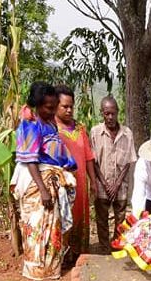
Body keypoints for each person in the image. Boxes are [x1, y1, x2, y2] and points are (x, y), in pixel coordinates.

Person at [12, 81, 77, 281]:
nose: (52, 111)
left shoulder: (49, 124)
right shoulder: (31, 125)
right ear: (38, 105)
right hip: (38, 183)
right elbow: (31, 160)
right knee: (38, 227)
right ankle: (37, 270)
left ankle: (51, 268)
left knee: (53, 227)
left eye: (53, 107)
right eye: (48, 107)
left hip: (51, 180)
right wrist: (43, 190)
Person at [55, 84, 99, 260]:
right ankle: (63, 257)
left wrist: (93, 182)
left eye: (71, 106)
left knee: (80, 215)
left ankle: (79, 255)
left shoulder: (80, 129)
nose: (69, 110)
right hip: (62, 184)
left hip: (81, 185)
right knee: (64, 217)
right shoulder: (51, 129)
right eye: (64, 106)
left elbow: (88, 157)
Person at [90, 96, 136, 251]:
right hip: (102, 183)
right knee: (101, 218)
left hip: (120, 185)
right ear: (102, 113)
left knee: (120, 218)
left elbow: (129, 161)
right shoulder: (96, 132)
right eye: (106, 113)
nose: (110, 117)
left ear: (118, 112)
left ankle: (117, 246)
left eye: (113, 113)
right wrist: (104, 183)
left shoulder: (127, 133)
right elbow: (93, 161)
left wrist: (116, 184)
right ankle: (104, 247)